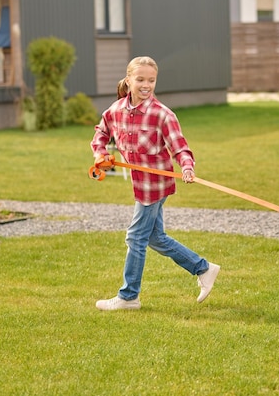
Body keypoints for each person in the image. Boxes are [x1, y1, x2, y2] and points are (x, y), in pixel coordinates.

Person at [90, 56, 220, 310]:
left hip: (155, 186)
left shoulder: (162, 114)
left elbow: (180, 148)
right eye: (140, 79)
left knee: (136, 237)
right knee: (155, 237)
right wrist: (100, 153)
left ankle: (129, 297)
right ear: (128, 80)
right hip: (139, 184)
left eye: (151, 80)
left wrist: (187, 168)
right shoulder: (116, 110)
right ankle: (203, 268)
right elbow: (101, 131)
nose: (146, 85)